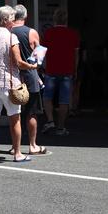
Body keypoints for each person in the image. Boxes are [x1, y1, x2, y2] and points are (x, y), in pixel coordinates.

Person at [0, 6, 39, 164]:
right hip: (9, 84)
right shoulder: (12, 38)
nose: (14, 22)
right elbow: (18, 62)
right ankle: (17, 153)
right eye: (12, 19)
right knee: (15, 119)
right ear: (5, 20)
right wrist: (32, 66)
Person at [11, 4, 47, 155]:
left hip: (13, 76)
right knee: (31, 112)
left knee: (15, 113)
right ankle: (32, 145)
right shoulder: (32, 32)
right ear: (25, 17)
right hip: (30, 76)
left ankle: (15, 147)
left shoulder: (9, 32)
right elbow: (38, 57)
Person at [41, 8, 80, 136]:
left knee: (47, 98)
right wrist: (75, 70)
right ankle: (61, 128)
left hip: (51, 70)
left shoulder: (48, 33)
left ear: (54, 19)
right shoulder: (73, 33)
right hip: (67, 71)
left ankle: (50, 120)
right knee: (64, 100)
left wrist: (43, 67)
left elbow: (43, 53)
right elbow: (76, 55)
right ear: (66, 19)